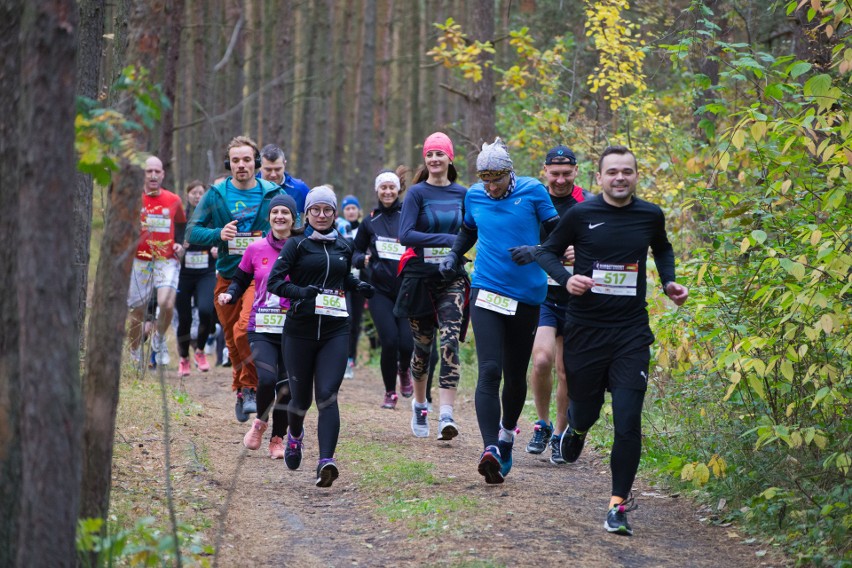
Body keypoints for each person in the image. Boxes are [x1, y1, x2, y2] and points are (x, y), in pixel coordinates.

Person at [536, 145, 689, 535]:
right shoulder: (581, 214)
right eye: (612, 172)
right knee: (584, 410)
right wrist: (566, 278)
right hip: (586, 330)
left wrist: (669, 279)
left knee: (627, 419)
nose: (620, 178)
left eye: (627, 172)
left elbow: (663, 247)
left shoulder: (650, 214)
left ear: (636, 175)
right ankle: (578, 428)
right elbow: (547, 253)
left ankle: (618, 505)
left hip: (631, 333)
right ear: (599, 178)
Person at [440, 139, 558, 484]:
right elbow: (468, 230)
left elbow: (559, 235)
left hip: (527, 296)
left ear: (510, 173)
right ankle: (490, 448)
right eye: (485, 179)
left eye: (497, 179)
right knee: (489, 370)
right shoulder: (474, 195)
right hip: (487, 291)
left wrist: (536, 251)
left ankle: (507, 436)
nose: (491, 187)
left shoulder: (534, 191)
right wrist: (452, 255)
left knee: (515, 372)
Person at [267, 185, 375, 487]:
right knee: (300, 400)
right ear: (307, 213)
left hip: (335, 330)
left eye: (328, 209)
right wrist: (301, 293)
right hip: (299, 331)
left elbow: (342, 279)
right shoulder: (296, 244)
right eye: (316, 209)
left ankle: (326, 461)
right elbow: (275, 282)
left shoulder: (343, 245)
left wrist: (358, 286)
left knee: (327, 395)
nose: (322, 215)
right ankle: (295, 435)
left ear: (335, 212)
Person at [187, 136, 284, 422]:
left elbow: (293, 223)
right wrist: (219, 234)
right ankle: (242, 389)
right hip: (228, 273)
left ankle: (250, 387)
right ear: (229, 164)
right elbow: (192, 232)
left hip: (260, 275)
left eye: (247, 160)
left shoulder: (272, 192)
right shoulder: (216, 194)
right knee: (231, 337)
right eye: (236, 160)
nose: (241, 165)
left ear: (256, 162)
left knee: (245, 329)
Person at [394, 132, 468, 440]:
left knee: (449, 342)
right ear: (425, 160)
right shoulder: (416, 193)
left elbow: (474, 230)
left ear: (450, 158)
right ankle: (421, 404)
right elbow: (406, 234)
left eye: (440, 153)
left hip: (452, 279)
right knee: (422, 349)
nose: (435, 159)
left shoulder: (464, 193)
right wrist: (450, 241)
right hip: (421, 278)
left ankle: (447, 416)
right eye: (430, 154)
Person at [218, 194, 300, 459]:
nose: (279, 216)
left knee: (287, 386)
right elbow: (240, 280)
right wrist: (230, 294)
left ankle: (278, 438)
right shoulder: (255, 249)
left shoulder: (302, 247)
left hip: (293, 328)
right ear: (269, 217)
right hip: (262, 325)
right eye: (275, 212)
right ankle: (260, 424)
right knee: (266, 379)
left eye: (285, 213)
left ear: (293, 218)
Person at [525, 145, 591, 464]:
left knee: (567, 371)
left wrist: (585, 255)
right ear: (545, 172)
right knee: (541, 360)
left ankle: (559, 435)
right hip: (543, 295)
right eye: (555, 174)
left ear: (576, 171)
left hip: (578, 299)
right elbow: (523, 242)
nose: (561, 180)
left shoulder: (588, 203)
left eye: (567, 173)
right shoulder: (535, 201)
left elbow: (604, 246)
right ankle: (542, 423)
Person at [353, 171, 415, 409]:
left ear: (398, 190)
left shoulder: (408, 216)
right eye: (383, 188)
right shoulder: (370, 221)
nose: (388, 192)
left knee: (407, 344)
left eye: (392, 187)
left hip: (406, 288)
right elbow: (355, 252)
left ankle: (404, 369)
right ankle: (390, 392)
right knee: (389, 341)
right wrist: (363, 260)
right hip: (379, 291)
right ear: (377, 191)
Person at [127, 156, 187, 368]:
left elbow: (181, 224)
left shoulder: (173, 200)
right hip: (140, 260)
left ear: (163, 174)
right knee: (138, 310)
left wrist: (180, 244)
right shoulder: (133, 198)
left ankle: (159, 339)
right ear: (143, 174)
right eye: (148, 171)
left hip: (166, 259)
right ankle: (134, 351)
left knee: (166, 303)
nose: (153, 175)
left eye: (157, 172)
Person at [175, 180, 217, 377]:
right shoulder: (181, 218)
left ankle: (200, 351)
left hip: (206, 272)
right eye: (194, 193)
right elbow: (173, 242)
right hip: (183, 274)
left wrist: (217, 247)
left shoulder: (211, 217)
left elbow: (219, 237)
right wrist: (178, 247)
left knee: (207, 312)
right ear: (188, 196)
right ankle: (183, 358)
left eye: (201, 193)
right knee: (184, 318)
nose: (197, 196)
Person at [337, 194, 365, 380]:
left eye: (353, 208)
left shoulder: (364, 229)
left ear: (358, 210)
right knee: (347, 318)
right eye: (347, 208)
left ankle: (351, 357)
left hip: (361, 280)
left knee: (356, 322)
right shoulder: (338, 228)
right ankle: (344, 359)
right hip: (343, 279)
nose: (351, 211)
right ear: (343, 211)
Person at [259, 143, 310, 218]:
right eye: (268, 169)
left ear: (284, 165)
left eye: (277, 169)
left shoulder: (299, 188)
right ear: (260, 166)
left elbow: (315, 214)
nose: (273, 174)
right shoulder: (251, 188)